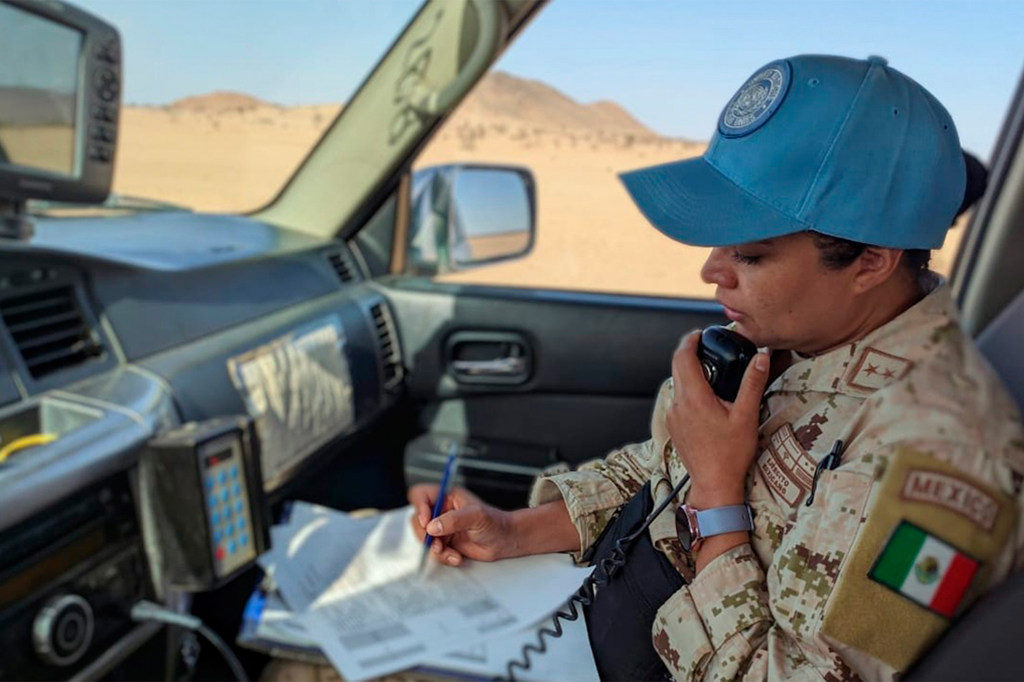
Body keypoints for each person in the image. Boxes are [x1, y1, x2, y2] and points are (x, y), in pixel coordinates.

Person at [409, 54, 1024, 680]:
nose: (711, 271)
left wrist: (717, 495)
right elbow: (658, 474)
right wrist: (515, 530)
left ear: (870, 262)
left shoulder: (940, 458)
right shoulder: (786, 336)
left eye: (750, 254)